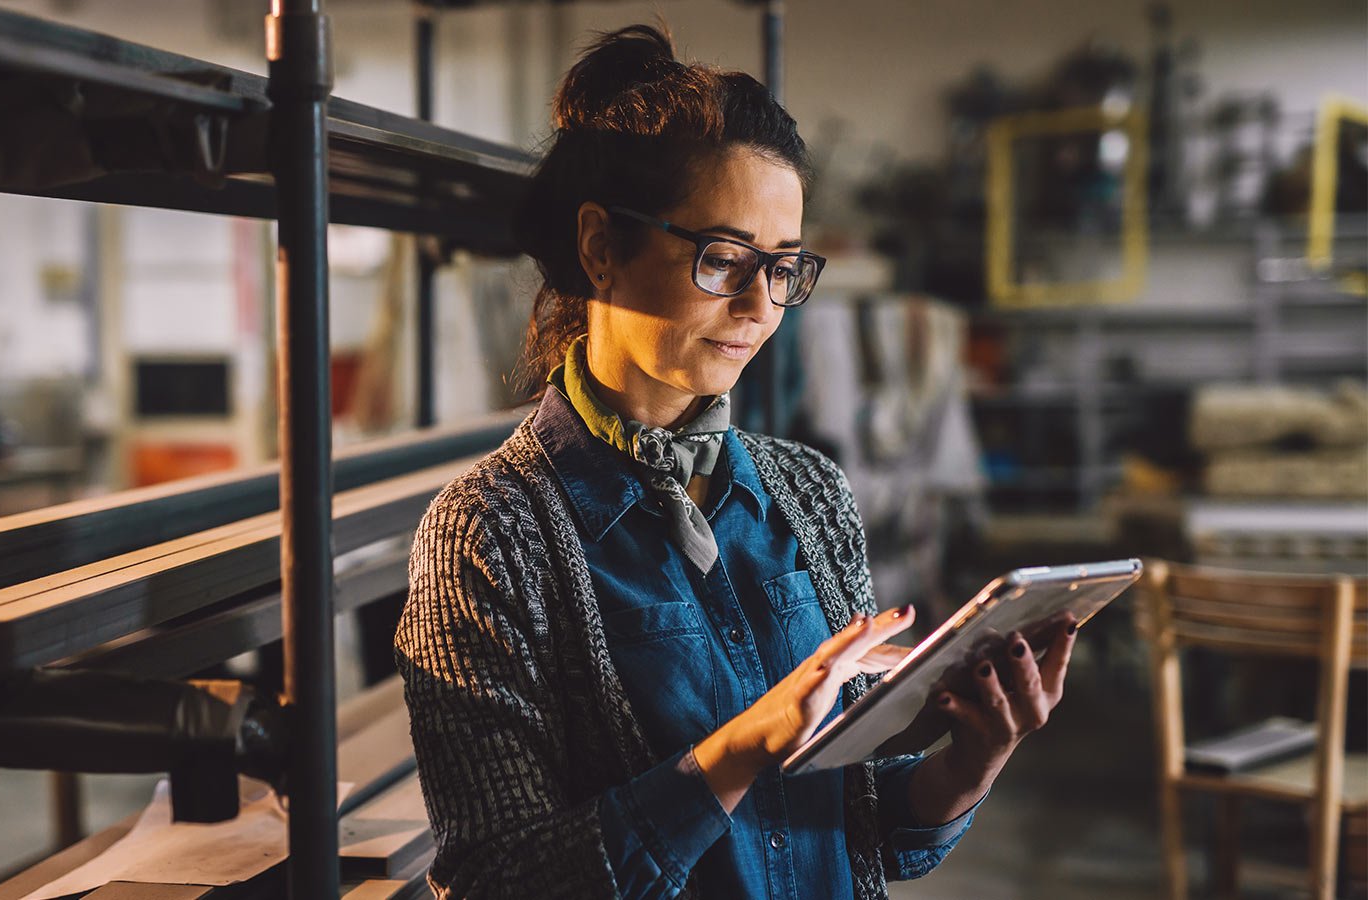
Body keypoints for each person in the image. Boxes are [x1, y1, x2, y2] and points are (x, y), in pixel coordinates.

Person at [395, 24, 1074, 900]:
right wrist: (743, 748)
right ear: (601, 247)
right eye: (723, 259)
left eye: (785, 268)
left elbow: (857, 825)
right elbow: (495, 881)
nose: (759, 305)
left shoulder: (810, 494)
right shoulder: (488, 535)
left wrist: (973, 760)